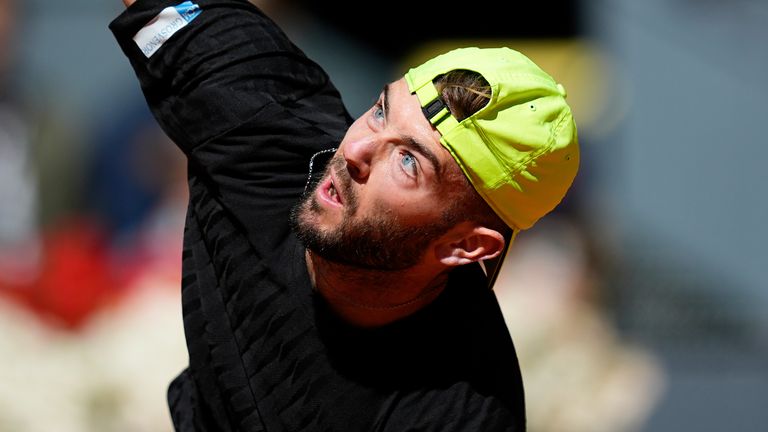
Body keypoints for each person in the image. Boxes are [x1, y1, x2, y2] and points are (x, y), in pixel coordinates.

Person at [110, 0, 579, 430]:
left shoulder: (458, 412)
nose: (353, 150)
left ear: (466, 245)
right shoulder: (266, 122)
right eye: (380, 111)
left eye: (408, 161)